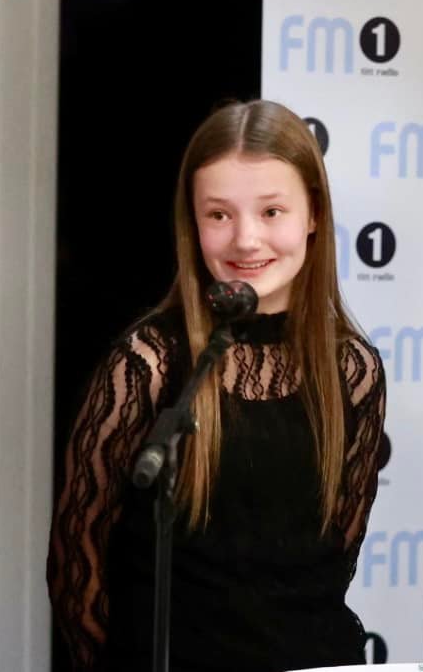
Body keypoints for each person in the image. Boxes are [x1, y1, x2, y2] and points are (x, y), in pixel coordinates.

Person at [48, 99, 386, 671]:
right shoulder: (149, 364)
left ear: (313, 215)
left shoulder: (352, 370)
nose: (246, 240)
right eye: (219, 215)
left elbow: (336, 557)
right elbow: (76, 563)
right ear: (193, 223)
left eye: (272, 211)